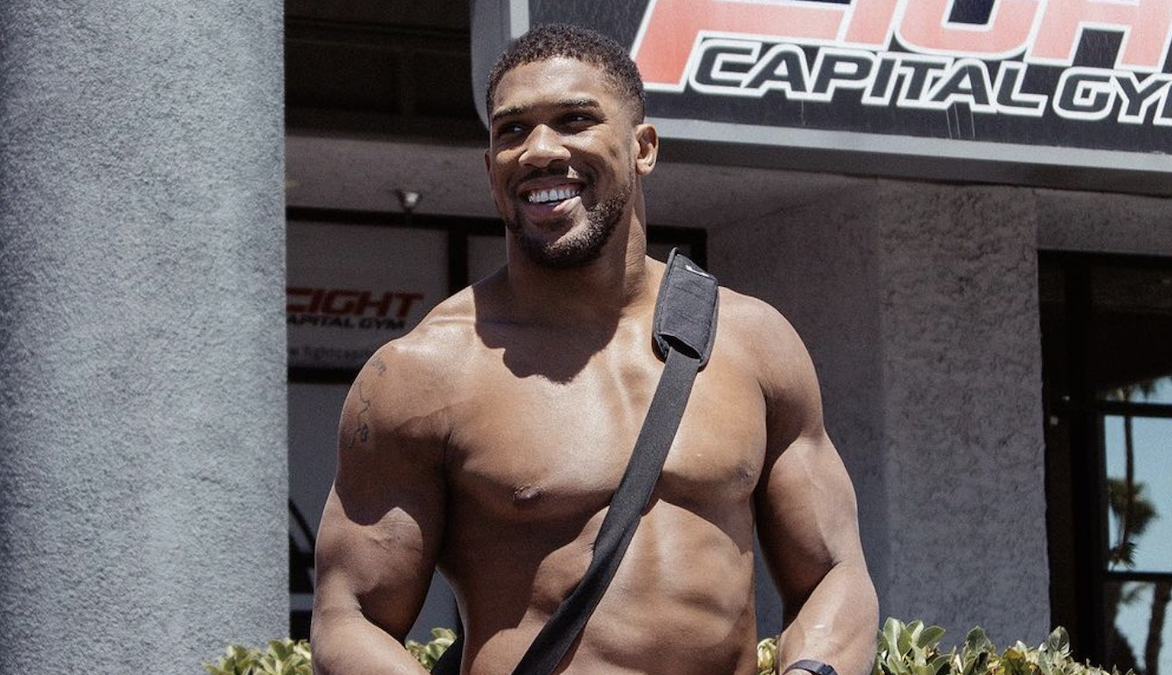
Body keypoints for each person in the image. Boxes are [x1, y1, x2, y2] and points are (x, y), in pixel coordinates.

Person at [310, 23, 878, 675]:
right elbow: (349, 616)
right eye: (512, 130)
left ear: (643, 148)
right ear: (490, 169)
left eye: (574, 120)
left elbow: (834, 572)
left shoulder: (753, 342)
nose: (539, 150)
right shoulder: (422, 372)